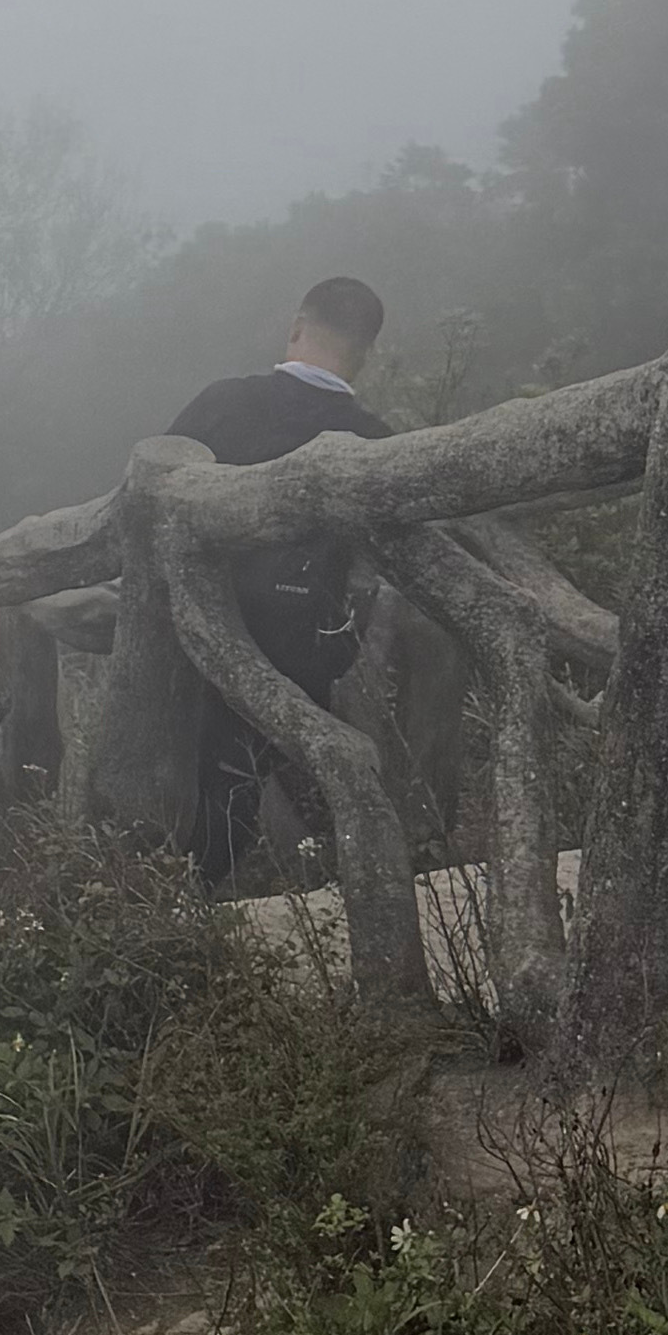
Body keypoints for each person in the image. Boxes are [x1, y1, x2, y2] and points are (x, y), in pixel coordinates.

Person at [164, 275, 393, 887]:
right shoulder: (374, 441)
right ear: (364, 354)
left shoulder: (222, 403)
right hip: (306, 643)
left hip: (196, 634)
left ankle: (191, 907)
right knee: (303, 774)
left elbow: (150, 494)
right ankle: (343, 888)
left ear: (297, 327)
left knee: (212, 790)